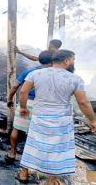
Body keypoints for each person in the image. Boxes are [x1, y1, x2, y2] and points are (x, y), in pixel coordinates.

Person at [17, 50, 96, 185]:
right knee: (57, 149)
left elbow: (23, 91)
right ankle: (51, 180)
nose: (73, 63)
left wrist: (23, 108)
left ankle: (24, 174)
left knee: (33, 143)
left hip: (40, 116)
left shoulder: (35, 74)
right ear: (66, 61)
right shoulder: (75, 79)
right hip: (62, 119)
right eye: (73, 60)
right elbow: (83, 102)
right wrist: (92, 120)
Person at [5, 50, 54, 163]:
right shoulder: (55, 74)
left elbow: (15, 87)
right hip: (44, 106)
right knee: (40, 132)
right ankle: (37, 158)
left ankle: (12, 153)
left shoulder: (29, 72)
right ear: (52, 61)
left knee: (16, 128)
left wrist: (10, 99)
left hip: (25, 104)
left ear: (40, 60)